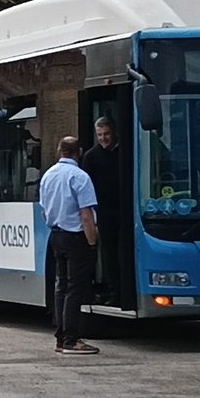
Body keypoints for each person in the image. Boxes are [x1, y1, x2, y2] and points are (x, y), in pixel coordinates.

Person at [39, 137, 99, 356]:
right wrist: (92, 242)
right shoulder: (80, 177)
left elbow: (44, 210)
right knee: (75, 289)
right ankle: (72, 340)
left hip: (56, 235)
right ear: (79, 152)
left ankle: (60, 337)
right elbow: (86, 215)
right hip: (76, 237)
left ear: (59, 151)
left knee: (61, 286)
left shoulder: (48, 176)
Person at [81, 116, 121, 305]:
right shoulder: (91, 157)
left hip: (124, 210)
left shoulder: (124, 151)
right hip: (104, 212)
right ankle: (114, 291)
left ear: (114, 133)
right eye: (100, 135)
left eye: (106, 134)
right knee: (109, 254)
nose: (103, 138)